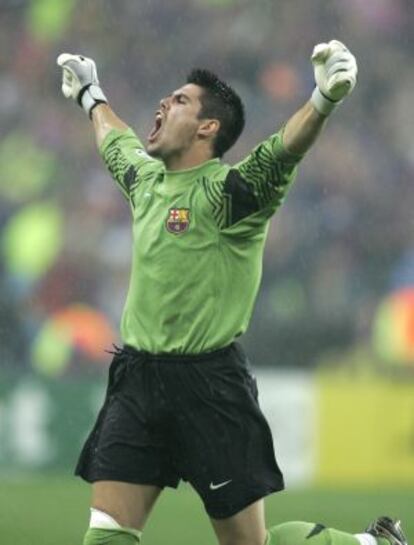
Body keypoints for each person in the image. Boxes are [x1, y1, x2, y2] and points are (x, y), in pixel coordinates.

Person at [57, 41, 407, 545]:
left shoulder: (229, 196)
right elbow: (116, 140)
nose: (162, 104)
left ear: (208, 127)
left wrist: (323, 100)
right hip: (137, 381)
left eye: (179, 101)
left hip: (209, 388)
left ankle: (369, 543)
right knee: (106, 535)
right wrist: (91, 94)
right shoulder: (144, 180)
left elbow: (281, 152)